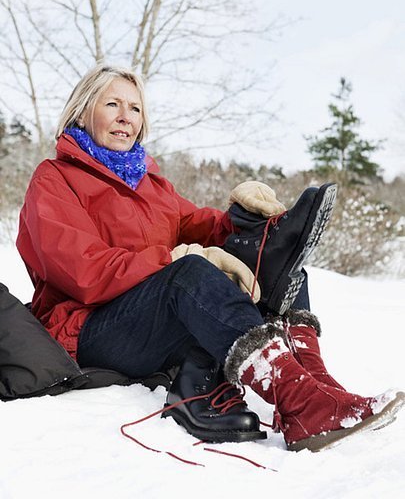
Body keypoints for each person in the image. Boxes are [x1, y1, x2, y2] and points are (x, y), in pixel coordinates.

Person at [17, 64, 404, 452]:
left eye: (135, 109)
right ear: (84, 112)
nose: (125, 117)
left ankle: (317, 389)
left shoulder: (149, 183)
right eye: (112, 104)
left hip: (150, 319)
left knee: (281, 269)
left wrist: (244, 222)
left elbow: (195, 223)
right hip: (87, 329)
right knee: (190, 273)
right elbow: (84, 272)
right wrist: (170, 260)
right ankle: (299, 398)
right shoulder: (54, 179)